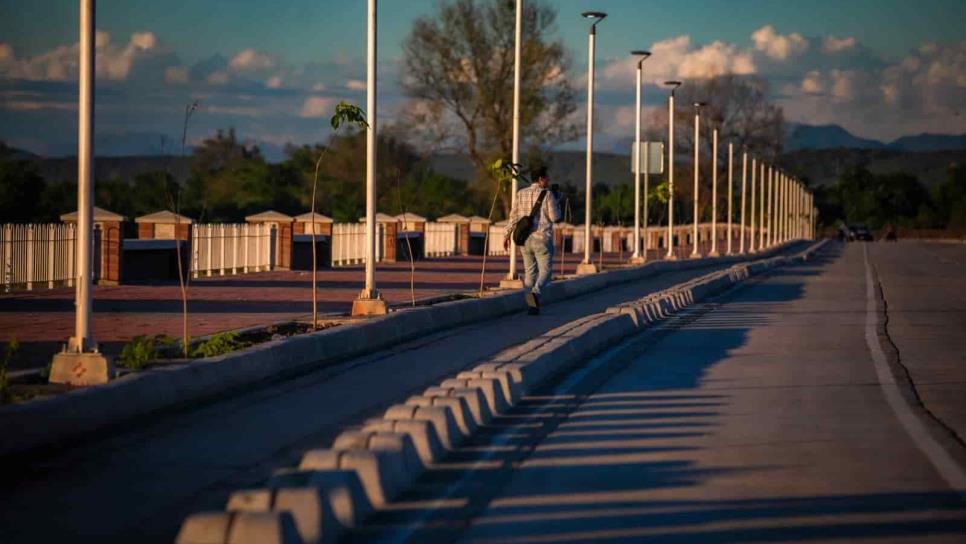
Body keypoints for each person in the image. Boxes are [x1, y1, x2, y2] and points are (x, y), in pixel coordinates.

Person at [504, 166, 561, 315]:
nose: (548, 180)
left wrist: (507, 235)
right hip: (541, 238)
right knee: (546, 272)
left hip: (524, 239)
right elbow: (555, 217)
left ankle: (532, 306)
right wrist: (556, 199)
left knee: (530, 273)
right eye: (547, 178)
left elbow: (513, 216)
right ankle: (535, 293)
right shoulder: (548, 195)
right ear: (541, 179)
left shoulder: (520, 193)